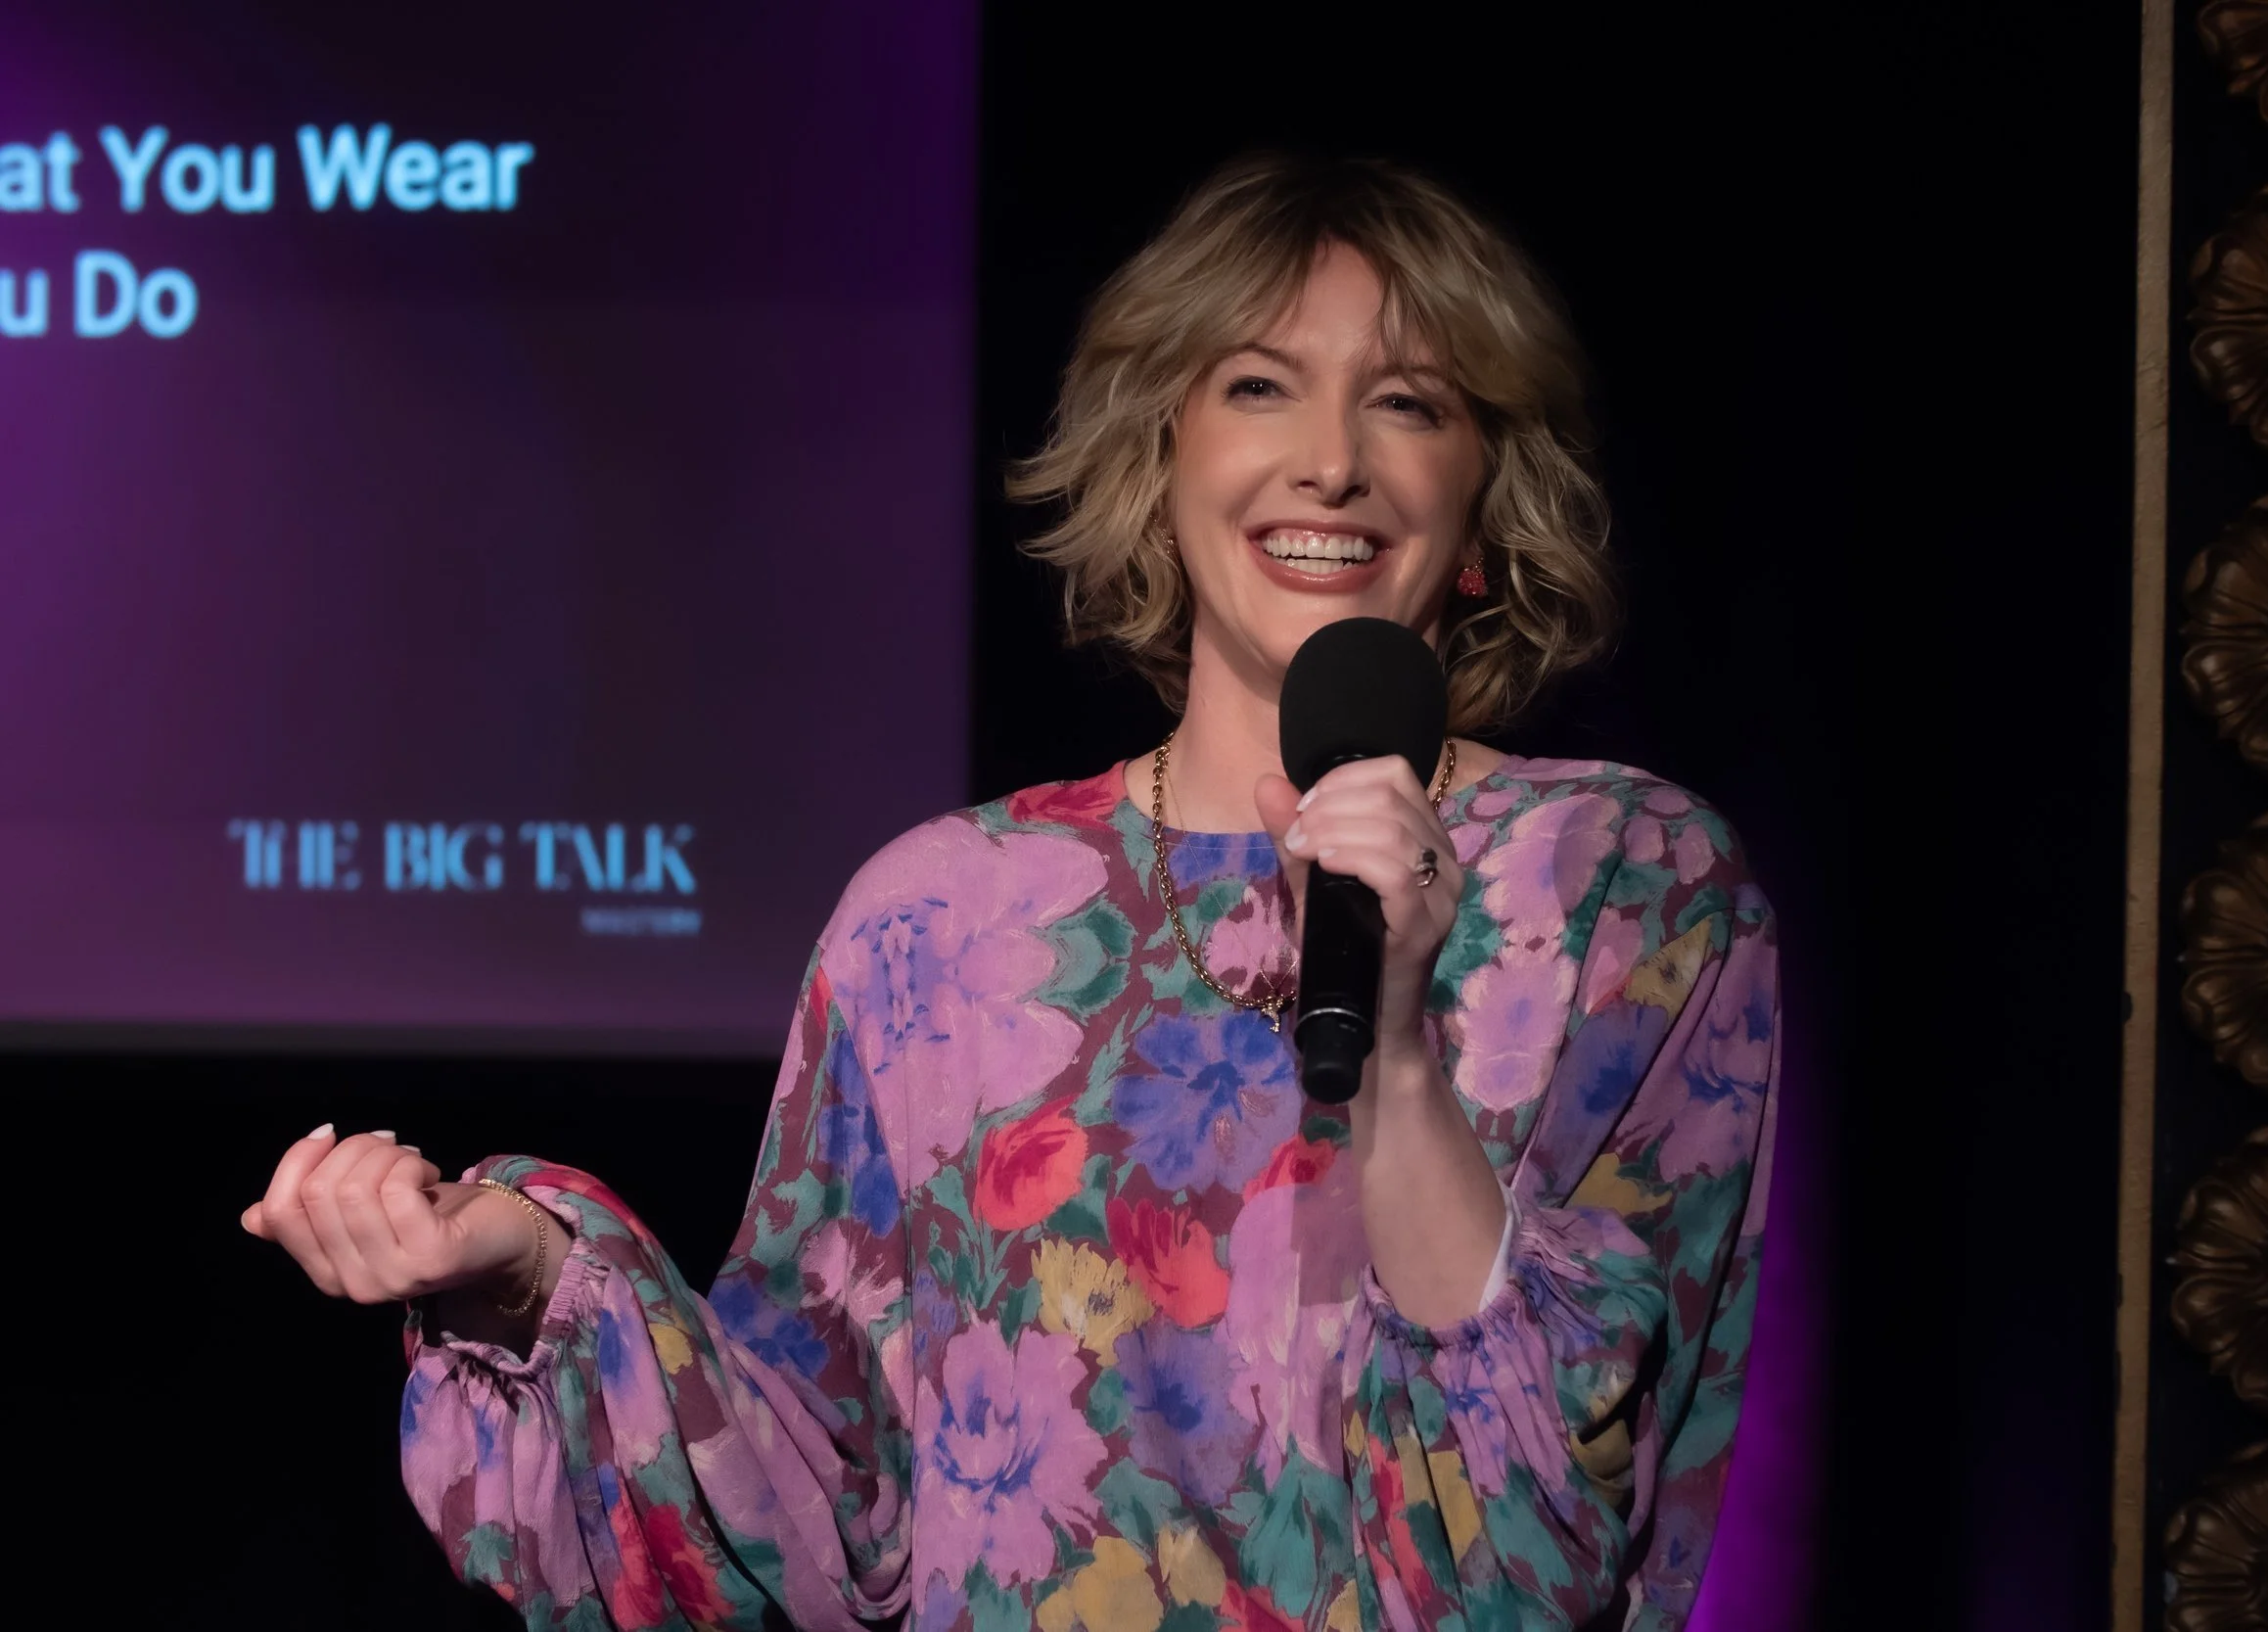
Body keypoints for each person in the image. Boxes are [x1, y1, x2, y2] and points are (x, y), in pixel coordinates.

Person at [242, 153, 1780, 1632]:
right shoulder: (942, 920)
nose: (1332, 458)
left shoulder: (1617, 885)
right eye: (1258, 384)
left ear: (1479, 514)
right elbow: (808, 1511)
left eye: (1410, 403)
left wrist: (1388, 1054)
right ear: (1156, 459)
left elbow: (1545, 1544)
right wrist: (533, 1273)